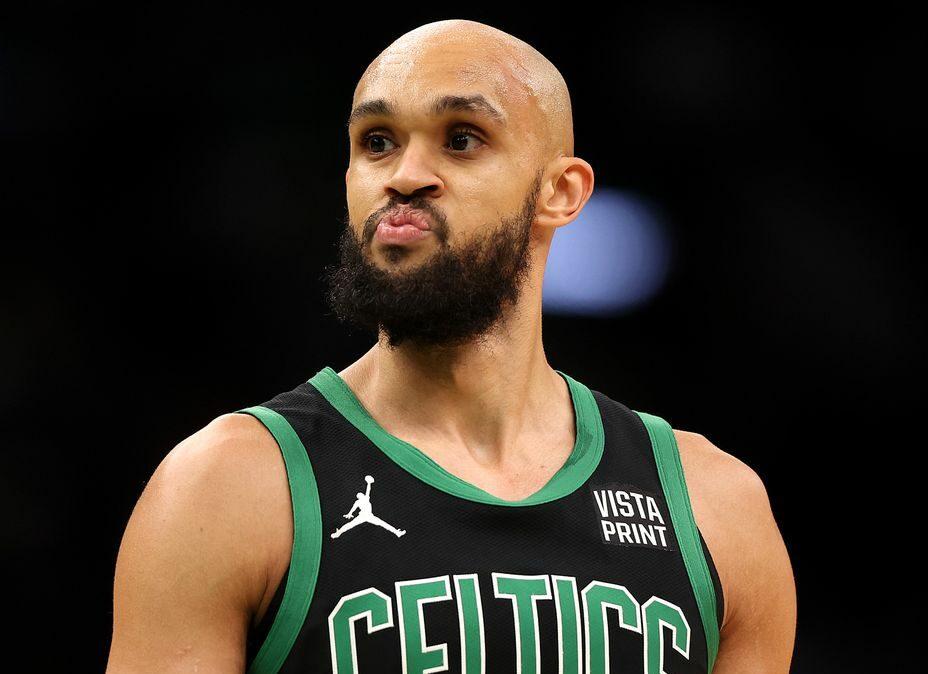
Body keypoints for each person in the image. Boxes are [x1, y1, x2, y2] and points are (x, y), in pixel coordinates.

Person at [108, 19, 796, 673]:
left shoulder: (712, 507)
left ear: (560, 192)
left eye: (461, 139)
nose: (405, 174)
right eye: (377, 141)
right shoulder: (228, 488)